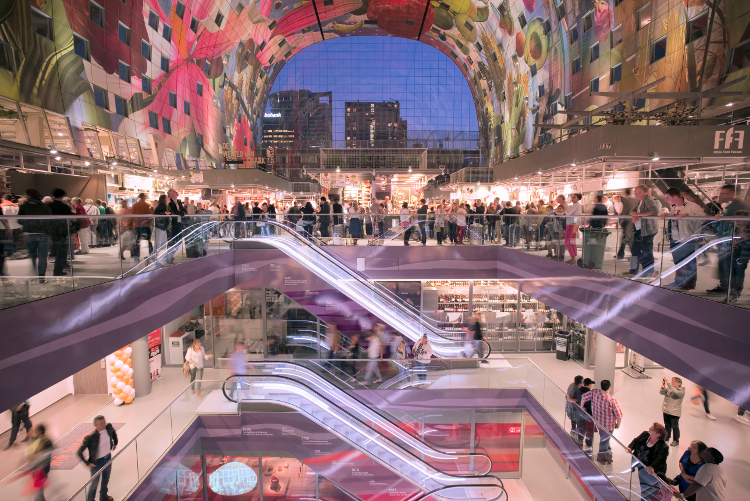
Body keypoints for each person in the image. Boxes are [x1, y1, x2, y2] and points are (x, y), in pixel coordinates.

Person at [707, 184, 750, 295]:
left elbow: (736, 226)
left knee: (734, 271)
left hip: (733, 245)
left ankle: (731, 290)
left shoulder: (738, 206)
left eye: (726, 193)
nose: (724, 195)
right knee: (726, 268)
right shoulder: (732, 206)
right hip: (727, 242)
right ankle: (727, 288)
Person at [663, 188, 705, 290]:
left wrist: (688, 215)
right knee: (678, 261)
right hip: (675, 238)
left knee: (689, 262)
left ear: (675, 197)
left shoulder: (693, 206)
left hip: (687, 238)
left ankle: (690, 284)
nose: (665, 200)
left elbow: (703, 218)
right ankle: (679, 282)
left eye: (667, 198)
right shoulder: (673, 207)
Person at [580, 380, 622, 465]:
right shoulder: (612, 399)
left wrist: (581, 407)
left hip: (598, 422)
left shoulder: (594, 392)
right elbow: (619, 415)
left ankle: (608, 456)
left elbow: (583, 397)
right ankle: (602, 458)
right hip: (608, 425)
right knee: (604, 440)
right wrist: (618, 424)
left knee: (606, 439)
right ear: (609, 388)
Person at [77, 415, 118, 501]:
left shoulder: (109, 427)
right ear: (95, 425)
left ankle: (103, 496)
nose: (103, 425)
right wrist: (87, 464)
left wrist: (115, 443)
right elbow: (79, 452)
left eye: (104, 422)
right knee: (94, 484)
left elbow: (113, 434)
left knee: (106, 479)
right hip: (96, 463)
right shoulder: (90, 437)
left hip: (107, 458)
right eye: (101, 424)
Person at [626, 422, 670, 500]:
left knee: (650, 488)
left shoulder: (663, 446)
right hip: (641, 466)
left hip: (653, 472)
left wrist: (652, 467)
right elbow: (636, 441)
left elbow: (660, 459)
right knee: (643, 484)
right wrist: (630, 447)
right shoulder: (645, 434)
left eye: (652, 429)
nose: (649, 429)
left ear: (658, 434)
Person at [18, 190, 52, 279]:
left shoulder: (24, 206)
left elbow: (19, 220)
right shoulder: (45, 206)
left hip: (29, 233)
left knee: (33, 256)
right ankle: (41, 276)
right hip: (43, 233)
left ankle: (35, 273)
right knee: (43, 256)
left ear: (29, 195)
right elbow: (50, 219)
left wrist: (28, 223)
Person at [628, 185, 660, 277]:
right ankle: (635, 269)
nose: (634, 194)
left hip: (647, 230)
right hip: (639, 230)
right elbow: (632, 211)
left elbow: (654, 211)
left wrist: (638, 214)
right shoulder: (640, 202)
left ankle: (649, 271)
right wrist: (635, 215)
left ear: (640, 192)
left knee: (646, 251)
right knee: (635, 250)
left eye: (635, 192)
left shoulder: (648, 200)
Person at [22, 423, 53, 501]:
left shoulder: (43, 441)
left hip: (40, 470)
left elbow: (36, 453)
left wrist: (33, 464)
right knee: (39, 492)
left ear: (39, 431)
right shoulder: (42, 439)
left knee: (38, 493)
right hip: (40, 469)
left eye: (36, 431)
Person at [47, 189, 74, 276]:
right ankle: (58, 270)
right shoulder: (64, 206)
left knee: (54, 249)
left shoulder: (48, 206)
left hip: (50, 230)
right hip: (61, 231)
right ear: (62, 197)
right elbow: (71, 218)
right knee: (61, 251)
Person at [661, 376, 685, 447]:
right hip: (666, 410)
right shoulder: (670, 388)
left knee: (675, 426)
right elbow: (662, 393)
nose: (672, 383)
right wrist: (663, 386)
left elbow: (676, 392)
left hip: (674, 412)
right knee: (667, 425)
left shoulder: (681, 391)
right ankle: (667, 437)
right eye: (672, 381)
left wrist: (669, 384)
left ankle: (676, 440)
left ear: (679, 383)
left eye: (674, 381)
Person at [616, 188, 639, 260]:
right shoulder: (635, 200)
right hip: (633, 221)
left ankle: (633, 254)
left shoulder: (625, 200)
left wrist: (620, 220)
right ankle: (621, 253)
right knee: (626, 237)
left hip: (627, 221)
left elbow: (624, 211)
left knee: (626, 237)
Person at [131, 193, 153, 262]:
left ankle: (136, 256)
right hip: (145, 225)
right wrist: (150, 223)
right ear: (144, 198)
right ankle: (151, 254)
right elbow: (150, 215)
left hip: (137, 225)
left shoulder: (135, 205)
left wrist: (131, 224)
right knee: (148, 240)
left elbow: (132, 215)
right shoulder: (146, 205)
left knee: (137, 241)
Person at [560, 194, 582, 264]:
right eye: (572, 197)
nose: (572, 198)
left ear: (578, 198)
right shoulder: (576, 205)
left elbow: (568, 213)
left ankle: (572, 257)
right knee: (572, 241)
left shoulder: (575, 205)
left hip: (571, 224)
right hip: (575, 224)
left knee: (566, 241)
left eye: (574, 197)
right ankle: (573, 257)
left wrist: (560, 214)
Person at [166, 189, 185, 263]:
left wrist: (181, 212)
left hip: (179, 223)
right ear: (171, 195)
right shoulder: (170, 202)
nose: (176, 193)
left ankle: (170, 255)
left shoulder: (179, 202)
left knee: (179, 240)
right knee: (173, 240)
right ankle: (169, 256)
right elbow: (174, 211)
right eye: (174, 193)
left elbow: (183, 210)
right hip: (173, 223)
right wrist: (180, 212)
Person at [566, 375, 584, 444]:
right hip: (573, 408)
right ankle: (574, 435)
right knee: (575, 421)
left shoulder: (576, 386)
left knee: (576, 421)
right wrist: (577, 400)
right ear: (579, 383)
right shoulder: (573, 388)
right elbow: (569, 398)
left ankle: (576, 433)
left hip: (575, 408)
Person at [579, 378, 595, 452]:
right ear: (589, 385)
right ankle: (588, 445)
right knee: (589, 431)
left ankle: (579, 441)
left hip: (580, 414)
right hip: (588, 415)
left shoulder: (578, 391)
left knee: (581, 428)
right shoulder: (590, 394)